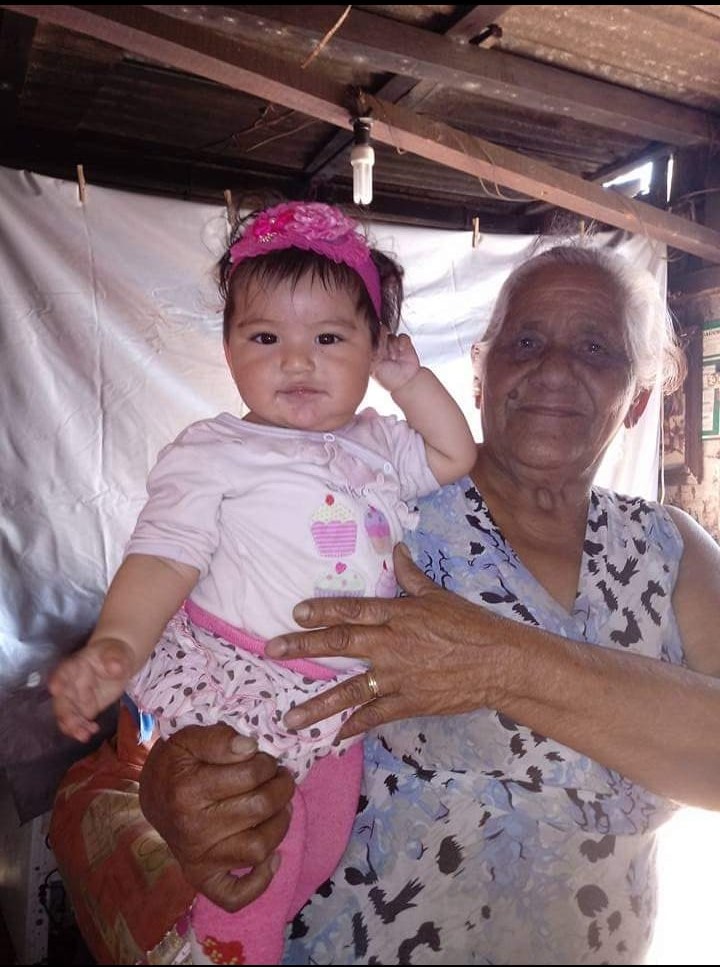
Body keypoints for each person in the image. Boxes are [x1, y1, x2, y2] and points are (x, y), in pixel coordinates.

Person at [49, 242, 720, 966]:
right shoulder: (374, 508)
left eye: (595, 347)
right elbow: (202, 653)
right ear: (480, 372)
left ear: (639, 398)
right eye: (525, 341)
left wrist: (505, 664)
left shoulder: (671, 548)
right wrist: (175, 787)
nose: (554, 367)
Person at [47, 200, 477, 966]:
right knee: (254, 858)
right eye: (266, 337)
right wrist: (116, 643)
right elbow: (164, 556)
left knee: (318, 851)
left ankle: (238, 938)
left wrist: (410, 383)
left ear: (374, 347)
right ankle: (230, 949)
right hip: (246, 681)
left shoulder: (379, 443)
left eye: (330, 338)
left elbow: (455, 454)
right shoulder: (214, 452)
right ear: (228, 347)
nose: (297, 362)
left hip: (339, 701)